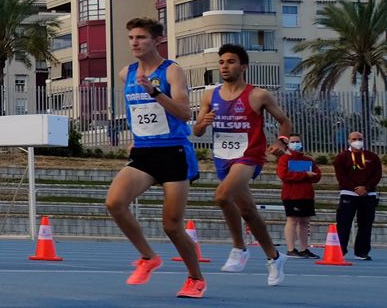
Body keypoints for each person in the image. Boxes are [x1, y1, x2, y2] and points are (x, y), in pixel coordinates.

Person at [103, 18, 206, 299]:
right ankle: (148, 257)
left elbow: (185, 114)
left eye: (141, 38)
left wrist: (155, 91)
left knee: (172, 226)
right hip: (144, 153)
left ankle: (196, 278)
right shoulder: (127, 73)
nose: (134, 43)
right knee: (115, 202)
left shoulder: (172, 71)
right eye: (131, 37)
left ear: (156, 41)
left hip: (173, 153)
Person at [192, 43, 294, 286]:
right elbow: (196, 132)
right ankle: (274, 257)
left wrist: (281, 142)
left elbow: (284, 121)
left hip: (249, 156)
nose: (225, 66)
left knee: (222, 196)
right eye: (222, 62)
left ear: (243, 66)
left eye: (231, 62)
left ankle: (239, 248)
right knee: (248, 211)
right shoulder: (209, 95)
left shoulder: (258, 95)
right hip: (222, 157)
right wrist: (203, 123)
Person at [332, 129, 382, 260]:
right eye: (354, 139)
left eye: (359, 139)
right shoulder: (341, 157)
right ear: (348, 141)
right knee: (344, 223)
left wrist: (366, 187)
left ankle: (361, 252)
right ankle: (340, 251)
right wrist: (354, 188)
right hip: (348, 194)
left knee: (366, 224)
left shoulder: (372, 157)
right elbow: (341, 176)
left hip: (368, 194)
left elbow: (377, 175)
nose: (357, 142)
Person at [276, 133, 321, 258]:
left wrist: (312, 175)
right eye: (293, 142)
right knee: (292, 220)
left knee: (305, 221)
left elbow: (317, 174)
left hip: (306, 195)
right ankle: (291, 249)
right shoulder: (284, 159)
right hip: (291, 195)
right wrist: (304, 175)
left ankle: (304, 249)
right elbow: (284, 175)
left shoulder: (308, 160)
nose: (296, 144)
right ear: (288, 144)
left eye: (298, 141)